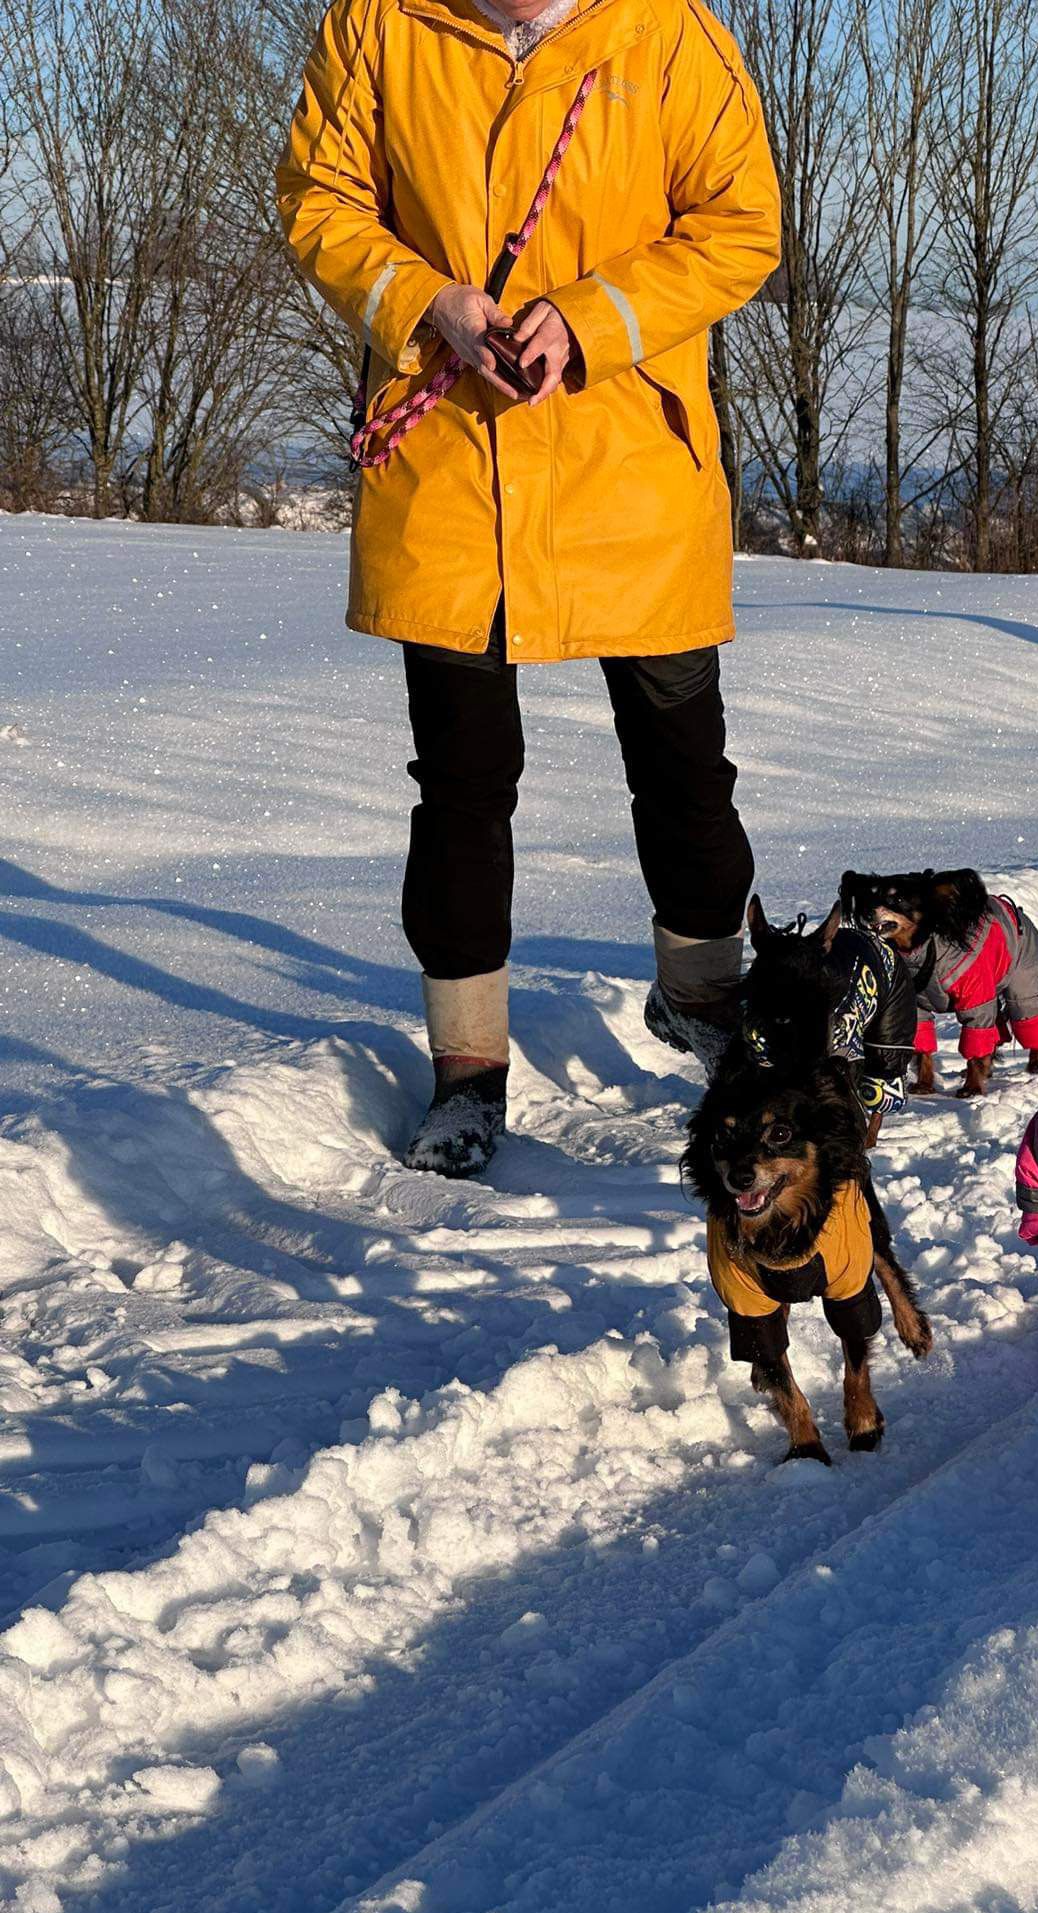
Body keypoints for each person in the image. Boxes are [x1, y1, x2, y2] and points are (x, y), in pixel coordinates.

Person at [277, 0, 780, 1175]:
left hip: (632, 462)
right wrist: (425, 303)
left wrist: (595, 317)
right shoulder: (376, 23)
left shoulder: (670, 34)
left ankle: (703, 997)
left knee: (682, 760)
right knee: (459, 778)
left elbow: (742, 225)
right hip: (450, 467)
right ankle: (467, 1069)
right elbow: (318, 195)